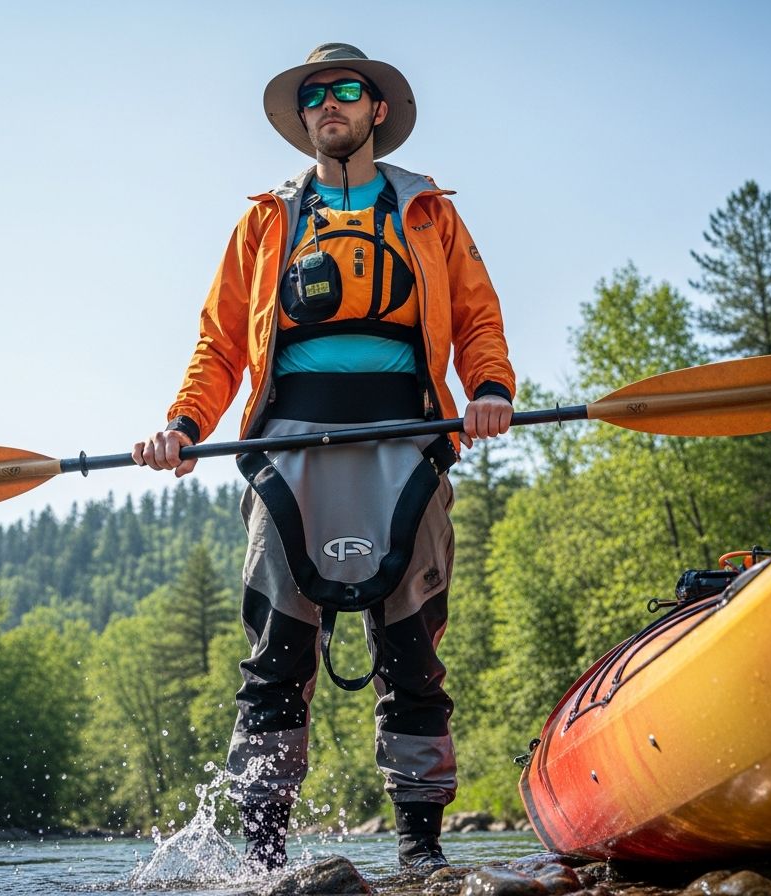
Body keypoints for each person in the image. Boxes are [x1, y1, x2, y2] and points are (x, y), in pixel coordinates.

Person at [133, 42, 515, 872]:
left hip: (406, 441)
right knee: (275, 655)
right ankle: (266, 862)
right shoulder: (266, 221)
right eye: (315, 96)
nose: (329, 105)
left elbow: (479, 320)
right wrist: (185, 423)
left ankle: (421, 855)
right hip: (288, 447)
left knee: (412, 650)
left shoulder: (429, 213)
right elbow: (220, 344)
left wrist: (488, 387)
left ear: (378, 111)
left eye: (347, 91)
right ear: (303, 117)